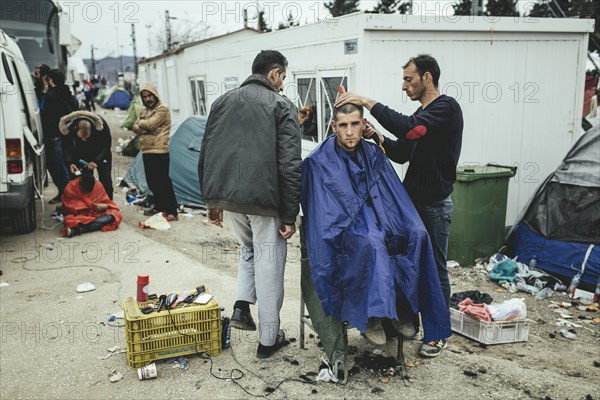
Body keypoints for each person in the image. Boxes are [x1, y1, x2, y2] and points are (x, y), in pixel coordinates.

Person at [336, 54, 463, 357]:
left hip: (433, 207)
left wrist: (367, 102)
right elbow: (403, 152)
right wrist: (375, 135)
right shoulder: (422, 117)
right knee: (402, 259)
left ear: (427, 78)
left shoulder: (445, 109)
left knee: (434, 268)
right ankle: (400, 319)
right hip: (410, 206)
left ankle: (436, 333)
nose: (404, 86)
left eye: (409, 79)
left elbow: (409, 130)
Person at [301, 103, 451, 353]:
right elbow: (323, 213)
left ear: (364, 125)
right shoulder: (318, 162)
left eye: (355, 124)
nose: (349, 131)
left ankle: (402, 310)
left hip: (378, 218)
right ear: (333, 127)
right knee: (372, 241)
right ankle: (372, 315)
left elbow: (392, 196)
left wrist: (395, 223)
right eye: (343, 125)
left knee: (416, 234)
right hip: (343, 229)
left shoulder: (374, 154)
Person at [198, 50, 301, 359]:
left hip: (230, 197)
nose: (283, 85)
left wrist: (211, 199)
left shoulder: (222, 102)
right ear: (274, 74)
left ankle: (242, 305)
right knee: (269, 266)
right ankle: (268, 341)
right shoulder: (282, 106)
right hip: (264, 200)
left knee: (249, 250)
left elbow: (207, 151)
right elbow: (290, 165)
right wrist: (290, 214)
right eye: (283, 77)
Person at [132, 83, 178, 221]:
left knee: (163, 181)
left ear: (155, 95)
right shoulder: (144, 110)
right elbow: (134, 127)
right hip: (147, 150)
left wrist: (145, 126)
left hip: (159, 150)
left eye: (150, 95)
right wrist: (147, 127)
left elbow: (150, 124)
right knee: (152, 182)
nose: (147, 99)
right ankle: (159, 207)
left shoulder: (162, 109)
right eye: (145, 97)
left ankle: (172, 211)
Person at [41, 69, 78, 204]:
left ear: (51, 80)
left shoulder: (50, 96)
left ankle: (65, 194)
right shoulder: (68, 93)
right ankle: (70, 194)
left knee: (56, 166)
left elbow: (45, 116)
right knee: (69, 164)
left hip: (54, 136)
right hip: (69, 134)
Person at [59, 110, 113, 199]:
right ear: (76, 129)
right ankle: (85, 204)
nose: (84, 139)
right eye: (81, 137)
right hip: (81, 153)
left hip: (100, 151)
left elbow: (106, 146)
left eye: (86, 136)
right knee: (84, 180)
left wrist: (96, 161)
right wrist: (71, 162)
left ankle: (109, 204)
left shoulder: (101, 126)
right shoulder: (68, 129)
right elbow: (65, 148)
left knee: (106, 180)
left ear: (91, 129)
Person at [61, 173, 122, 238]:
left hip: (96, 213)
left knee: (114, 214)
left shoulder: (98, 185)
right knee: (69, 220)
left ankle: (81, 229)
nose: (86, 194)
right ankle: (85, 228)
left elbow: (107, 202)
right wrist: (84, 207)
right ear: (79, 183)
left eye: (89, 192)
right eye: (84, 191)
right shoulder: (70, 188)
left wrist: (105, 206)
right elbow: (68, 208)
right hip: (79, 215)